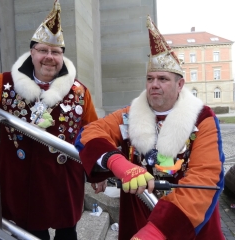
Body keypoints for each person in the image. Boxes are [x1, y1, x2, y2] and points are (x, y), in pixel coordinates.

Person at [75, 15, 225, 240]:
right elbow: (89, 133)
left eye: (163, 79)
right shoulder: (129, 113)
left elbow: (204, 178)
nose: (154, 85)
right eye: (150, 78)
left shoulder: (202, 118)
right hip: (138, 216)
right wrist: (118, 163)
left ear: (180, 84)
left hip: (184, 224)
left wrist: (157, 231)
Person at [0, 1, 105, 239]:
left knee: (67, 233)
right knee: (31, 234)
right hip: (23, 181)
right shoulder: (2, 83)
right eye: (43, 50)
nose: (49, 57)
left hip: (64, 181)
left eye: (55, 52)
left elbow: (93, 132)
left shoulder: (80, 92)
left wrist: (98, 173)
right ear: (32, 52)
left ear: (62, 56)